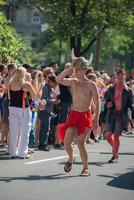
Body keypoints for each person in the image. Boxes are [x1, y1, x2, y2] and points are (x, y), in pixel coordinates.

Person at [56, 57, 100, 176]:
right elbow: (58, 79)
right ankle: (71, 158)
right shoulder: (73, 81)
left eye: (78, 69)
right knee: (66, 142)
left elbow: (97, 102)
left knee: (81, 143)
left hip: (86, 116)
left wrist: (96, 120)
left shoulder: (91, 84)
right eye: (75, 69)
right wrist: (69, 68)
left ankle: (85, 168)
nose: (76, 71)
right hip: (74, 114)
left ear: (84, 70)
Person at [104, 69, 134, 163]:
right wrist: (108, 103)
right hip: (111, 114)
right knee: (107, 135)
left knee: (116, 135)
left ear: (125, 76)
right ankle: (115, 149)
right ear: (116, 77)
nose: (120, 78)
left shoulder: (128, 90)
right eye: (118, 76)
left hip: (121, 115)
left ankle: (115, 156)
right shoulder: (111, 89)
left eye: (122, 76)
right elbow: (106, 100)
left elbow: (131, 104)